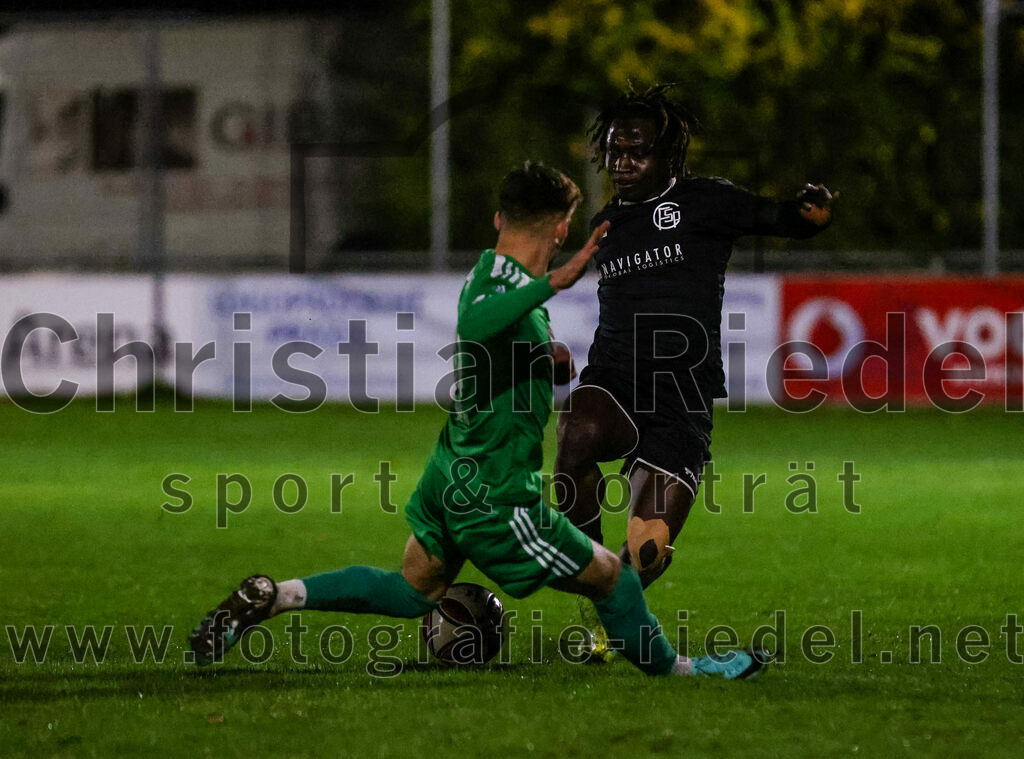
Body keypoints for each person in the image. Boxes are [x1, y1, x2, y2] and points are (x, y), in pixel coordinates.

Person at [189, 162, 765, 679]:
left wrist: (544, 360)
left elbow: (490, 339)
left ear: (497, 219)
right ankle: (681, 670)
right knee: (613, 577)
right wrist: (554, 283)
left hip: (452, 475)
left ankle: (276, 594)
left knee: (414, 589)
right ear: (562, 230)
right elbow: (476, 324)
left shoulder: (487, 268)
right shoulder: (514, 290)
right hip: (495, 496)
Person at [553, 85, 833, 655]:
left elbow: (778, 218)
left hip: (682, 395)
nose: (623, 162)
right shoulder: (607, 224)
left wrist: (808, 213)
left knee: (648, 552)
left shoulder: (706, 201)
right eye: (615, 150)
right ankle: (592, 572)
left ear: (667, 158)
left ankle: (613, 616)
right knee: (575, 434)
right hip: (615, 379)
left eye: (638, 151)